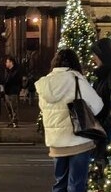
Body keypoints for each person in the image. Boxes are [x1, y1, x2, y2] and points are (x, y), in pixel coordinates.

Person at [37, 49, 103, 192]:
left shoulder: (45, 83)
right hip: (78, 139)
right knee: (76, 184)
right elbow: (97, 106)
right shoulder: (76, 79)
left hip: (56, 141)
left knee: (60, 183)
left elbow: (43, 108)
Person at [90, 38, 111, 151]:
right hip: (101, 128)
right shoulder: (101, 76)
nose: (94, 58)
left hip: (108, 130)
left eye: (95, 55)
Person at [2, 57, 22, 128]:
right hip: (7, 92)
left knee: (14, 107)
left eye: (7, 62)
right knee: (9, 108)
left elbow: (12, 80)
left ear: (11, 62)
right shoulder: (7, 71)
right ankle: (11, 121)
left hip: (13, 91)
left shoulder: (16, 71)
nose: (6, 63)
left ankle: (15, 121)